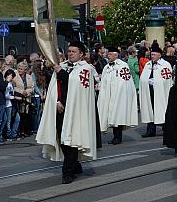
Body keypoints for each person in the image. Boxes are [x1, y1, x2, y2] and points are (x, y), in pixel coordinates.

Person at [36, 41, 99, 184]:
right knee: (61, 138)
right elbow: (55, 86)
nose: (70, 53)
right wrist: (57, 101)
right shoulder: (63, 66)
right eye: (69, 51)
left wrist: (60, 71)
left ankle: (67, 172)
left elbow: (75, 85)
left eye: (73, 51)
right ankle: (75, 164)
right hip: (60, 109)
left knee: (71, 140)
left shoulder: (86, 69)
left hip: (76, 111)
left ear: (81, 54)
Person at [97, 47, 137, 145]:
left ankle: (117, 137)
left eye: (110, 54)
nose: (108, 56)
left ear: (116, 55)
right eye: (108, 54)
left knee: (117, 115)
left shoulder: (123, 66)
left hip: (118, 95)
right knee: (110, 115)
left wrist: (119, 93)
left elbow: (125, 82)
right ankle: (114, 136)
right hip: (109, 95)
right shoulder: (106, 67)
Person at [139, 44, 173, 138]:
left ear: (159, 55)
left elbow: (167, 79)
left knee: (161, 109)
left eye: (154, 54)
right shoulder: (148, 64)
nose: (152, 56)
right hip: (149, 91)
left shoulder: (165, 65)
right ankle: (150, 130)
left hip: (160, 92)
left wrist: (156, 81)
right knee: (150, 109)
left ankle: (166, 129)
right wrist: (147, 81)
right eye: (151, 54)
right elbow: (143, 77)